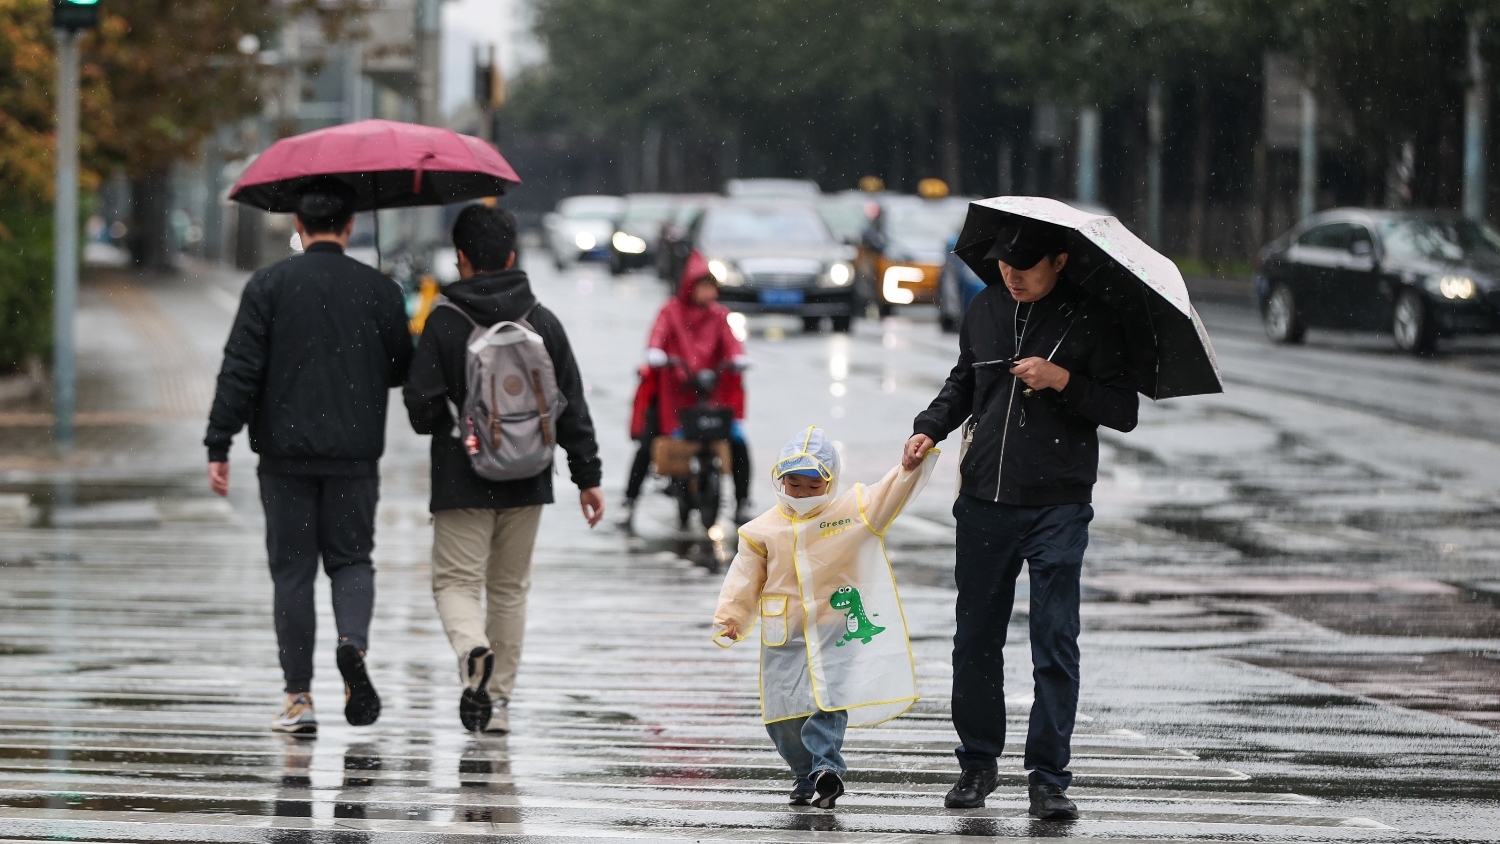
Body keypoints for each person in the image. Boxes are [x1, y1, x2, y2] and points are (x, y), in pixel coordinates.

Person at [903, 217, 1138, 819]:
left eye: (1026, 268)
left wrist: (1061, 379)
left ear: (1059, 261)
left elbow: (1122, 409)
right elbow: (964, 382)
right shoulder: (985, 306)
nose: (1012, 277)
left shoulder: (1092, 316)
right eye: (1004, 266)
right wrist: (929, 428)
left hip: (1058, 502)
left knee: (1054, 641)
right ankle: (977, 766)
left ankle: (1049, 777)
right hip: (983, 500)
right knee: (975, 638)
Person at [205, 178, 413, 736]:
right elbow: (401, 369)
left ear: (298, 226)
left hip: (284, 457)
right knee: (351, 560)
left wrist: (218, 442)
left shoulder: (268, 285)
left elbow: (241, 370)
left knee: (292, 573)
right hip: (354, 456)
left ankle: (299, 699)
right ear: (350, 226)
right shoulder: (380, 290)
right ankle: (353, 648)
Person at [404, 204, 604, 734]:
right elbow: (572, 403)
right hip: (529, 478)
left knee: (455, 583)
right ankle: (498, 701)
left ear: (462, 258)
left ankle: (473, 650)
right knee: (510, 588)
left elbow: (421, 412)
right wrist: (588, 476)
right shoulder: (541, 319)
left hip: (460, 478)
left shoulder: (444, 321)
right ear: (513, 256)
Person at [714, 426, 937, 809]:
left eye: (813, 486)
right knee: (782, 715)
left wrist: (910, 467)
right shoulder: (760, 530)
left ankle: (825, 769)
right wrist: (732, 618)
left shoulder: (854, 511)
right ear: (780, 480)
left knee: (827, 702)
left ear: (830, 482)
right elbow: (745, 577)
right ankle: (803, 773)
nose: (801, 494)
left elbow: (891, 490)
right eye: (794, 484)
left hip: (836, 628)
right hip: (785, 632)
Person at [620, 251, 752, 528]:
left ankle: (743, 502)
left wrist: (738, 358)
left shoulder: (720, 316)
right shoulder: (671, 311)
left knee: (738, 443)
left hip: (710, 394)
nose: (710, 292)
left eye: (712, 285)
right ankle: (629, 502)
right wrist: (656, 352)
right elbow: (658, 336)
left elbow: (731, 344)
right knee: (649, 442)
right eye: (704, 285)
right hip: (673, 393)